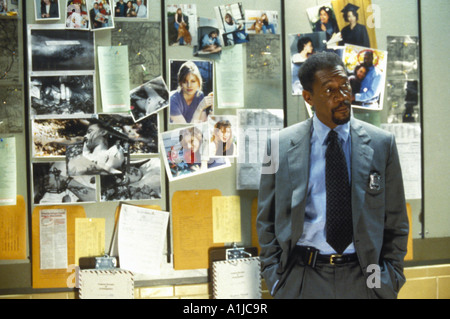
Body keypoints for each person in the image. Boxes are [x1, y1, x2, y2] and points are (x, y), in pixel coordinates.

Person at [257, 51, 409, 299]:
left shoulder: (382, 144)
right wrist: (277, 280)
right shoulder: (278, 147)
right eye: (329, 91)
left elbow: (396, 221)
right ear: (308, 97)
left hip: (366, 277)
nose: (342, 97)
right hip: (303, 278)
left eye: (345, 86)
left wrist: (389, 279)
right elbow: (266, 220)